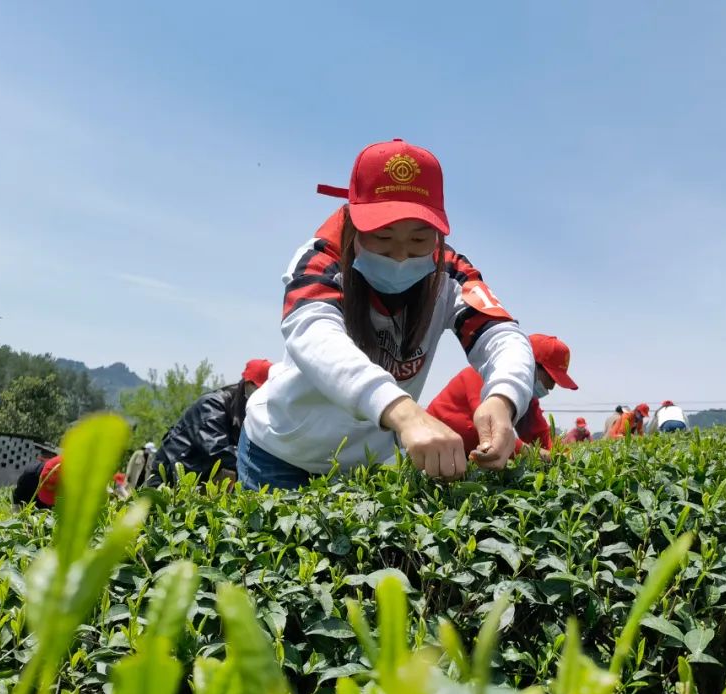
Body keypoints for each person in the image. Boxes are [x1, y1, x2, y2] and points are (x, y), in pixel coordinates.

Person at [239, 139, 535, 490]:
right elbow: (314, 334)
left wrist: (503, 399)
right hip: (282, 454)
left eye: (418, 240)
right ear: (352, 220)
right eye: (382, 236)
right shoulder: (320, 258)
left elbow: (502, 335)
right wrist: (404, 412)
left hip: (366, 465)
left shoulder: (450, 272)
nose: (399, 256)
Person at [427, 333, 578, 459]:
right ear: (530, 364)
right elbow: (494, 433)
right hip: (429, 450)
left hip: (462, 461)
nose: (552, 387)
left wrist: (564, 457)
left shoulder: (527, 399)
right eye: (551, 378)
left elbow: (540, 436)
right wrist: (539, 456)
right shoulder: (481, 376)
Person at [147, 358, 272, 486]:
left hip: (198, 480)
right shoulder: (212, 405)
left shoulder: (247, 410)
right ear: (248, 383)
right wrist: (260, 462)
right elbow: (216, 448)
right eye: (260, 389)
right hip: (170, 475)